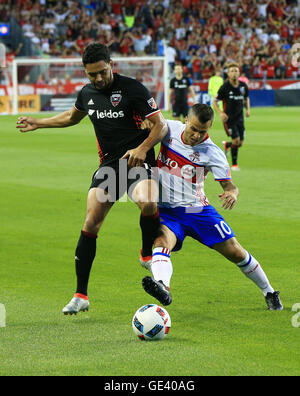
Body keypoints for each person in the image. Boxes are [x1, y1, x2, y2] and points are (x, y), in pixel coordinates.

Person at [16, 43, 168, 315]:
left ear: (111, 64)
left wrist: (143, 149)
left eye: (101, 72)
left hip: (137, 160)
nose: (97, 79)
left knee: (147, 201)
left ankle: (146, 254)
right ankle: (81, 295)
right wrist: (39, 123)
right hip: (110, 166)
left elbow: (160, 125)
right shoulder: (87, 93)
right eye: (91, 75)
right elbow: (71, 117)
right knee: (90, 222)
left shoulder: (132, 89)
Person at [141, 104, 283, 311]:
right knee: (161, 242)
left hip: (196, 211)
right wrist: (145, 123)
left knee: (236, 252)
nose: (197, 135)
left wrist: (231, 193)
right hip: (167, 211)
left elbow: (230, 186)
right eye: (194, 129)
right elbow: (147, 123)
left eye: (203, 131)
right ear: (186, 120)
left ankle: (269, 292)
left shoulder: (213, 153)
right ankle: (163, 286)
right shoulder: (168, 129)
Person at [212, 62, 250, 171]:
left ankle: (227, 145)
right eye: (232, 71)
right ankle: (234, 165)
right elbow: (215, 102)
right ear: (228, 74)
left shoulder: (243, 86)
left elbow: (246, 98)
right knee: (236, 140)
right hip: (229, 119)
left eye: (236, 71)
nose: (234, 73)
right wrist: (220, 113)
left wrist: (247, 110)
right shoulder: (224, 87)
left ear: (239, 73)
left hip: (240, 118)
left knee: (240, 143)